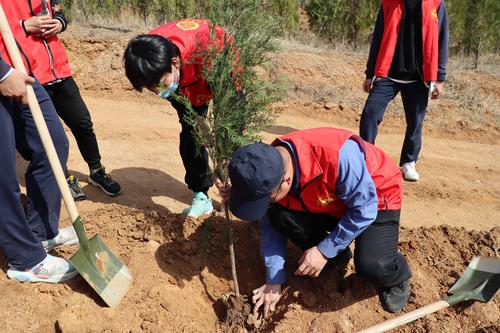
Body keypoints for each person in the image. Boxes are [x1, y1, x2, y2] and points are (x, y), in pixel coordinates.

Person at [220, 127, 412, 315]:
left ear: (286, 181)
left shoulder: (338, 157)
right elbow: (269, 225)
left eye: (267, 198)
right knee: (279, 215)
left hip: (376, 197)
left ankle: (397, 274)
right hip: (328, 201)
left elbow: (364, 209)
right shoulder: (265, 169)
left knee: (373, 266)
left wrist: (323, 250)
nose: (266, 202)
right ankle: (339, 255)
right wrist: (274, 279)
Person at [0, 3, 78, 283]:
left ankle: (41, 232)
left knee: (54, 144)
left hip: (19, 67)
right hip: (4, 72)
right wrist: (1, 74)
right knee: (3, 172)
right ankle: (25, 259)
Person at [124, 19, 230, 218]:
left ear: (175, 63)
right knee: (191, 132)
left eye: (159, 85)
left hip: (216, 70)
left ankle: (234, 192)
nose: (157, 92)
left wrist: (223, 161)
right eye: (150, 88)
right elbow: (194, 120)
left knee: (230, 135)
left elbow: (230, 115)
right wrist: (202, 130)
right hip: (183, 81)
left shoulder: (211, 54)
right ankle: (201, 194)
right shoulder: (149, 57)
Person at [18, 0, 122, 199]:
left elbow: (60, 14)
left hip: (60, 72)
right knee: (51, 134)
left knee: (82, 122)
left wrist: (59, 23)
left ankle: (97, 171)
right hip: (33, 77)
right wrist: (24, 26)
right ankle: (63, 177)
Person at [360, 0, 449, 181]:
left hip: (418, 77)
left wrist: (439, 77)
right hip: (388, 74)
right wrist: (370, 73)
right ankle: (367, 158)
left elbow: (442, 38)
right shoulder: (389, 2)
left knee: (415, 121)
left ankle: (408, 162)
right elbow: (377, 38)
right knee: (370, 113)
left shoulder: (436, 4)